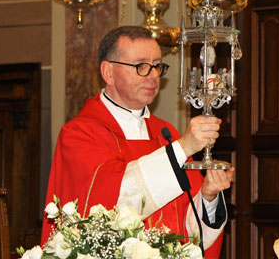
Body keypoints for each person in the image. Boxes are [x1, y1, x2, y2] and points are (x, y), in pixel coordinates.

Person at [42, 26, 235, 258]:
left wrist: (208, 196)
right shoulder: (80, 135)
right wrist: (184, 148)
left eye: (157, 66)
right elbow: (111, 208)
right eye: (141, 66)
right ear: (108, 72)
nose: (153, 75)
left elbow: (186, 230)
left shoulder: (166, 134)